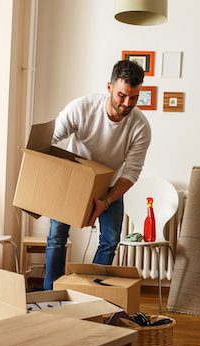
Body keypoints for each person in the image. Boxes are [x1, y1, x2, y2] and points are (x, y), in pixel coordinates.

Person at [43, 59, 151, 291]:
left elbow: (131, 172)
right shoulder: (82, 108)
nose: (126, 103)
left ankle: (90, 294)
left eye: (133, 97)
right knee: (56, 236)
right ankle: (51, 294)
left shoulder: (140, 126)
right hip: (73, 182)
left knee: (110, 242)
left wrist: (107, 200)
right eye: (122, 95)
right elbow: (49, 139)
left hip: (110, 188)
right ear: (109, 87)